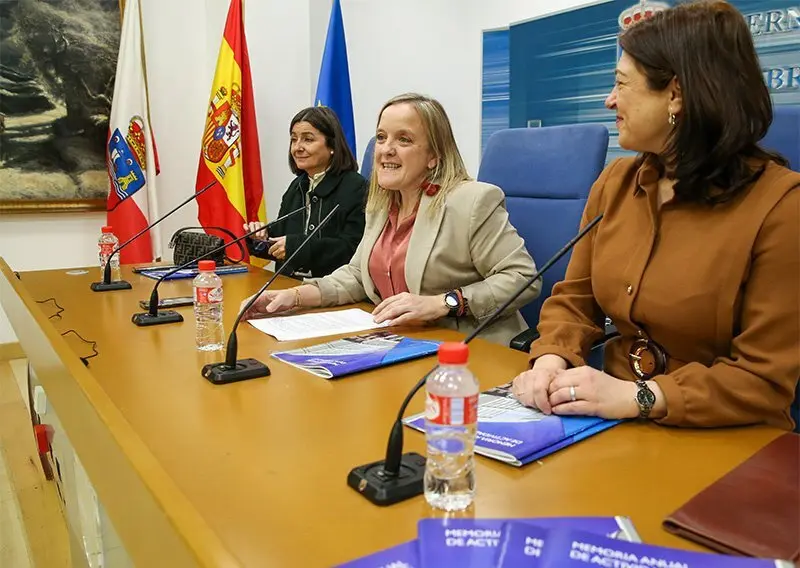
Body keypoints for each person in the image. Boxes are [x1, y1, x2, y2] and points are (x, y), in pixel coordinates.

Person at [511, 0, 800, 430]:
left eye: (622, 84)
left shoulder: (782, 207)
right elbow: (575, 300)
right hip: (612, 423)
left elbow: (764, 379)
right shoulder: (614, 184)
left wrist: (640, 396)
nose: (610, 101)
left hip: (726, 439)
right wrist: (551, 358)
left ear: (676, 95)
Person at [243, 93, 540, 345]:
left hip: (467, 348)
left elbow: (523, 278)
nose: (386, 149)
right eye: (382, 137)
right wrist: (293, 296)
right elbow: (358, 276)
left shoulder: (472, 201)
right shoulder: (381, 203)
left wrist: (443, 302)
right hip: (399, 342)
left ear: (434, 155)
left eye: (404, 139)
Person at [244, 106, 367, 279]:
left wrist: (296, 247)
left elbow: (353, 249)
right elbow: (280, 240)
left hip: (333, 289)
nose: (297, 148)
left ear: (332, 145)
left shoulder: (356, 187)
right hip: (287, 286)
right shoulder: (297, 186)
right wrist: (260, 237)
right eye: (294, 140)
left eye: (308, 140)